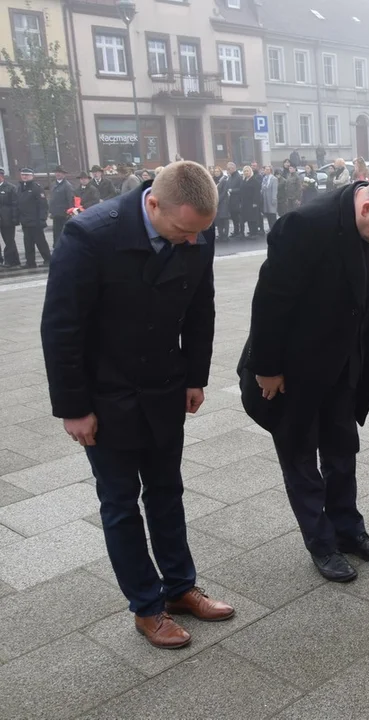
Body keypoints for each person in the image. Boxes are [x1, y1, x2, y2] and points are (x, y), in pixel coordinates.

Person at [40, 161, 232, 650]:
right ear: (153, 204)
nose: (192, 242)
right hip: (107, 397)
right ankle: (147, 607)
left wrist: (195, 376)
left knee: (168, 491)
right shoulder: (90, 236)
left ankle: (180, 586)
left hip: (166, 387)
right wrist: (73, 407)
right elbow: (62, 328)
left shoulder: (196, 230)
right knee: (121, 503)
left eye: (200, 233)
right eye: (183, 231)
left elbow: (201, 308)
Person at [237, 177, 369, 582]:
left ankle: (349, 529)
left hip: (345, 363)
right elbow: (270, 300)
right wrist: (266, 367)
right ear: (367, 208)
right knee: (300, 454)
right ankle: (321, 544)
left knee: (341, 450)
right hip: (292, 370)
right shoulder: (305, 225)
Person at [17, 168, 49, 268]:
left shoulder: (36, 188)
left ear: (32, 176)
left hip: (36, 221)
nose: (24, 177)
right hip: (25, 221)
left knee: (40, 242)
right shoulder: (20, 188)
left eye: (27, 175)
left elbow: (43, 205)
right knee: (28, 243)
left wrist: (42, 219)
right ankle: (30, 262)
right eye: (23, 175)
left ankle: (48, 260)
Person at [49, 167, 75, 250]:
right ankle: (57, 248)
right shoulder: (53, 184)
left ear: (64, 174)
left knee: (64, 233)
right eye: (56, 172)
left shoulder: (67, 185)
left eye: (60, 172)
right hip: (56, 214)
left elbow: (70, 200)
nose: (58, 174)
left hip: (64, 214)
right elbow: (52, 199)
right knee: (56, 233)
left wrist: (70, 212)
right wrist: (51, 211)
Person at [0, 168, 19, 268]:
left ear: (2, 176)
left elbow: (15, 204)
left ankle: (11, 260)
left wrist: (15, 218)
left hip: (7, 219)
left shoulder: (10, 188)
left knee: (9, 240)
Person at [261, 165, 279, 229]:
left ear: (271, 170)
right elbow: (262, 189)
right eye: (265, 169)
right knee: (268, 214)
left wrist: (274, 199)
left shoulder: (274, 179)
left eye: (268, 169)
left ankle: (274, 228)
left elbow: (274, 190)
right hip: (265, 199)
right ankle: (270, 227)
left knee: (272, 214)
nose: (266, 170)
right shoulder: (264, 178)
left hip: (271, 199)